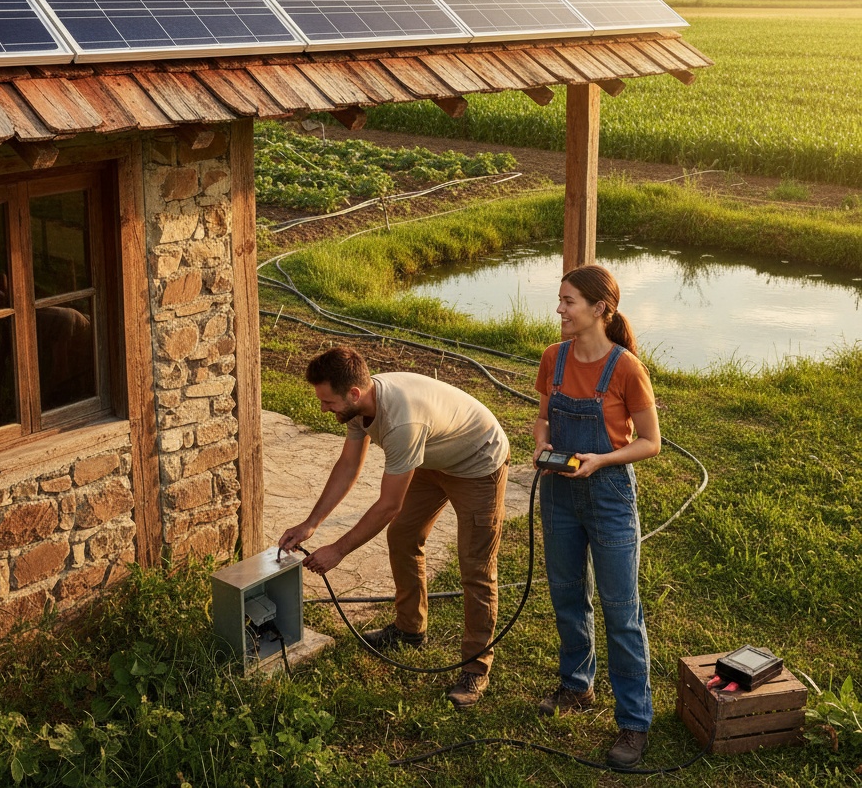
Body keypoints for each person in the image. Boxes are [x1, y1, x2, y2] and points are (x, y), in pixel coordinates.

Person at [279, 346, 510, 709]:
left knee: (476, 566)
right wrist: (311, 524)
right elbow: (348, 466)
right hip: (432, 455)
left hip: (478, 461)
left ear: (353, 393)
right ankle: (410, 629)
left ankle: (475, 667)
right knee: (403, 536)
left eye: (327, 401)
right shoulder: (358, 408)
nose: (324, 409)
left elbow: (389, 504)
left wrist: (338, 550)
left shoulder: (402, 421)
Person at [533, 264, 661, 771]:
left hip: (607, 494)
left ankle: (634, 720)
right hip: (558, 494)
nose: (560, 309)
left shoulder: (626, 368)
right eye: (560, 300)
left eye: (568, 301)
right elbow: (544, 416)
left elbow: (651, 442)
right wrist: (542, 441)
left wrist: (602, 461)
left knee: (620, 609)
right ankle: (576, 685)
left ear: (599, 309)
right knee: (567, 595)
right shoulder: (553, 359)